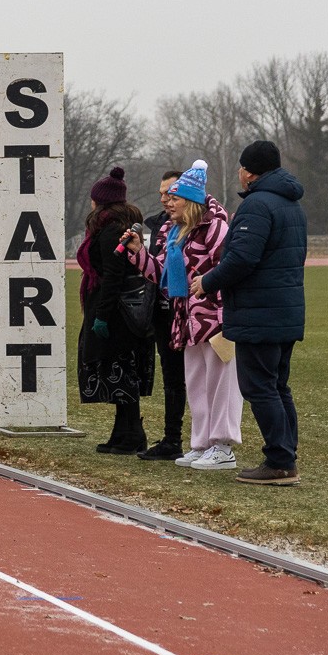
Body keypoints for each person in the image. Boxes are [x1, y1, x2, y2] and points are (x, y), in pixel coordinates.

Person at [192, 141, 307, 486]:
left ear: (248, 171)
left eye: (241, 167)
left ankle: (280, 460)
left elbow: (242, 259)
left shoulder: (257, 205)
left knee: (259, 386)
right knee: (277, 386)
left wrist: (207, 281)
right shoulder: (291, 204)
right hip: (285, 310)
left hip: (259, 312)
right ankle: (285, 453)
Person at [120, 161, 240, 470]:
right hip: (185, 320)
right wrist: (138, 253)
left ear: (190, 201)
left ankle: (223, 445)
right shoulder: (175, 232)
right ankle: (201, 443)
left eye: (174, 198)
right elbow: (161, 274)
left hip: (215, 318)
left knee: (220, 383)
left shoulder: (216, 226)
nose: (167, 203)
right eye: (168, 197)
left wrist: (210, 289)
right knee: (197, 383)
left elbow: (229, 268)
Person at [76, 167, 155, 454]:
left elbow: (113, 275)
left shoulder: (110, 230)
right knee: (122, 371)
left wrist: (102, 316)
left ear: (102, 201)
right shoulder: (120, 225)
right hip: (123, 310)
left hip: (117, 312)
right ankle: (124, 433)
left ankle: (132, 434)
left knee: (119, 370)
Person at [136, 171, 190, 460]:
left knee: (187, 378)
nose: (164, 198)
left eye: (170, 193)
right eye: (161, 193)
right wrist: (137, 253)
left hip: (183, 311)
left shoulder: (191, 225)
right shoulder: (159, 225)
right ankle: (173, 439)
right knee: (171, 377)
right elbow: (157, 271)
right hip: (160, 309)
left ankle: (193, 440)